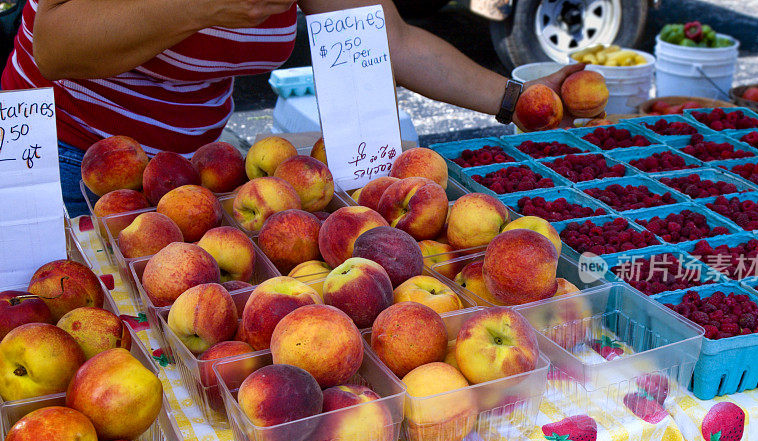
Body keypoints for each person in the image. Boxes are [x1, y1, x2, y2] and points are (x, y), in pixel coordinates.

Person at [1, 0, 583, 216]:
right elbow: (55, 47)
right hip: (58, 157)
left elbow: (392, 40)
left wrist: (520, 100)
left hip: (190, 172)